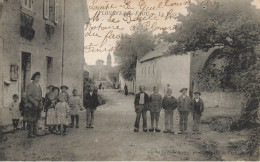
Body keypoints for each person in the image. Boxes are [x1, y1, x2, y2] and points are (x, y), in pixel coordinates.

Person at [26, 72, 43, 138]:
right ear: (33, 78)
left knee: (36, 118)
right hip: (32, 105)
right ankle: (30, 133)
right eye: (36, 77)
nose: (38, 79)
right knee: (31, 119)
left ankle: (35, 132)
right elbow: (28, 96)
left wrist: (41, 103)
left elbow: (40, 96)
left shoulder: (38, 85)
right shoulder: (30, 85)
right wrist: (34, 101)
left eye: (39, 77)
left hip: (38, 104)